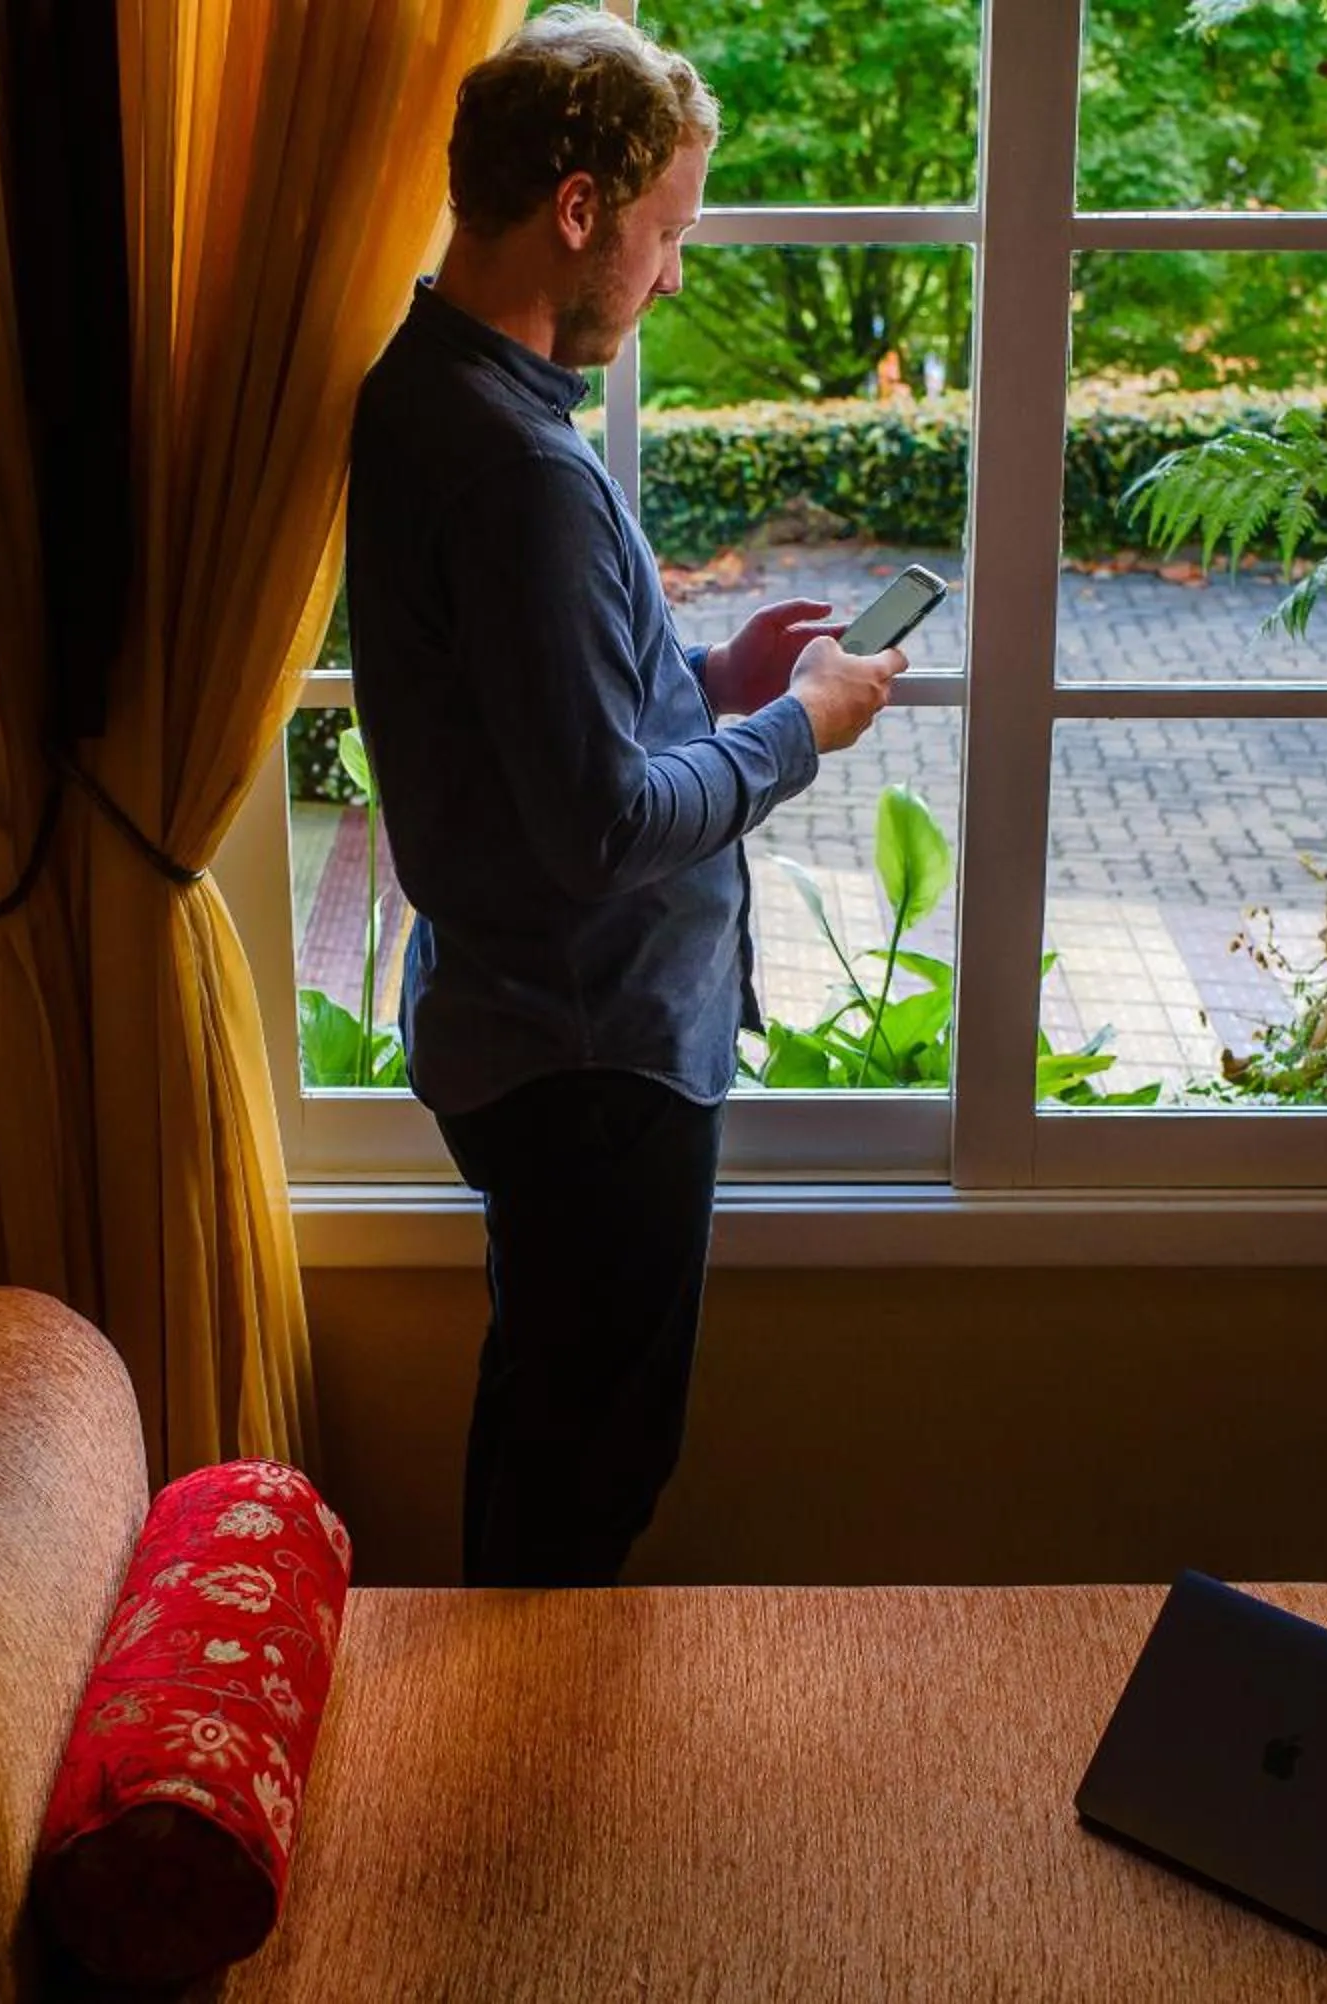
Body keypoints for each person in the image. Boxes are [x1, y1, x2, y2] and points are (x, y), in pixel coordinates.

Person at [345, 6, 904, 1589]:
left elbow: (534, 720)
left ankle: (494, 1757)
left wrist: (713, 678)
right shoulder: (519, 465)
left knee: (541, 1418)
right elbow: (596, 830)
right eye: (666, 234)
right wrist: (799, 728)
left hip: (524, 1031)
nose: (672, 276)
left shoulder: (427, 396)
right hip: (591, 1060)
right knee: (594, 1472)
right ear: (578, 209)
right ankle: (535, 1804)